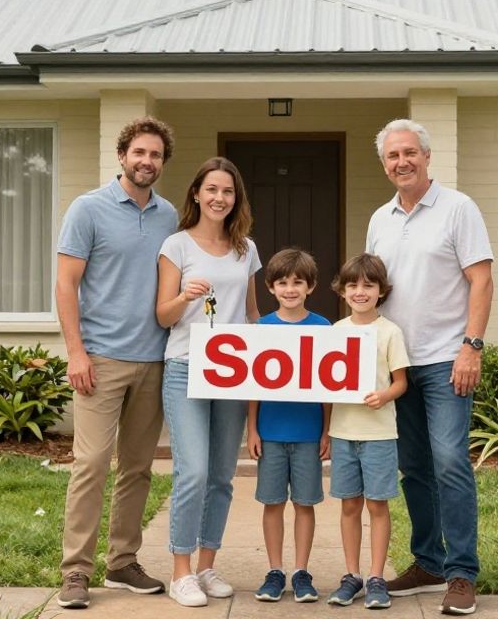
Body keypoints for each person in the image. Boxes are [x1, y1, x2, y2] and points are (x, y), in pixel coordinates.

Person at [366, 119, 493, 616]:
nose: (402, 162)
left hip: (446, 359)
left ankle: (461, 573)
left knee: (450, 462)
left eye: (410, 153)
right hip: (398, 364)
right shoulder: (380, 219)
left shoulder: (458, 208)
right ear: (385, 164)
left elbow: (480, 281)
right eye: (393, 156)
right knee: (414, 468)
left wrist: (471, 347)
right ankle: (428, 562)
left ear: (426, 156)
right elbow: (373, 290)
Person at [55, 117, 178, 609]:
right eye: (139, 153)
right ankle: (76, 572)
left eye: (155, 155)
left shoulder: (170, 216)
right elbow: (66, 284)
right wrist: (76, 352)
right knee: (90, 463)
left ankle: (123, 561)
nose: (146, 161)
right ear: (123, 155)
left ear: (162, 163)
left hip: (154, 358)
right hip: (101, 359)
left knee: (138, 467)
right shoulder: (88, 209)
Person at [155, 156, 261, 608]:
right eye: (212, 189)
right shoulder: (176, 246)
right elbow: (163, 315)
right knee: (193, 470)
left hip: (234, 373)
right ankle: (181, 569)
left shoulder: (246, 249)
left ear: (236, 199)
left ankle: (207, 566)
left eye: (228, 191)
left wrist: (269, 361)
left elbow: (251, 315)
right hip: (185, 367)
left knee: (221, 475)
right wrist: (184, 296)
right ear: (196, 194)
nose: (220, 198)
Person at [246, 248, 332, 603]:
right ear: (270, 287)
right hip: (271, 432)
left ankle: (300, 571)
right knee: (272, 502)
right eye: (283, 282)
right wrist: (252, 429)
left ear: (310, 286)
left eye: (298, 282)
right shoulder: (261, 327)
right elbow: (251, 385)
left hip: (309, 433)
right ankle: (275, 570)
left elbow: (330, 386)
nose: (290, 288)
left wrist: (326, 431)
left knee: (305, 503)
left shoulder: (323, 327)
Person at [324, 253, 409, 611]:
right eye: (353, 285)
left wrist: (384, 395)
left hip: (379, 434)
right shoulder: (335, 332)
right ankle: (351, 576)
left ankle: (376, 577)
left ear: (381, 291)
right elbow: (325, 387)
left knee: (377, 505)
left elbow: (401, 382)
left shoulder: (390, 332)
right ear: (343, 291)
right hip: (344, 432)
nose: (360, 292)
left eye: (368, 286)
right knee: (349, 505)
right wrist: (326, 432)